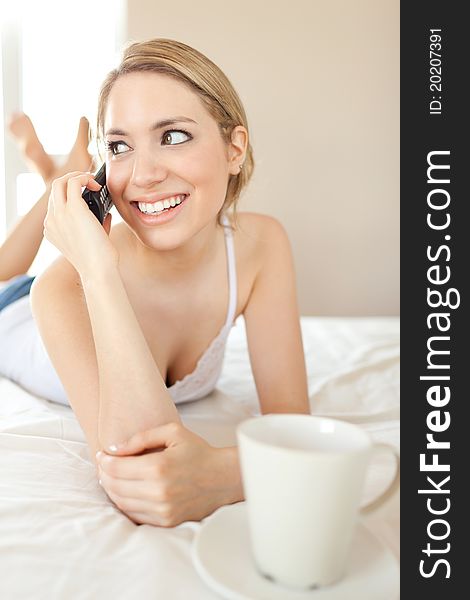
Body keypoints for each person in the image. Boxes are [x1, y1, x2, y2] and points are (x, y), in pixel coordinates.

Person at [0, 39, 310, 527]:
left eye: (173, 136)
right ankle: (57, 180)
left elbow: (294, 430)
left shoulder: (261, 246)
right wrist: (96, 271)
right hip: (12, 310)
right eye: (119, 147)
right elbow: (139, 472)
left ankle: (56, 174)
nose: (143, 175)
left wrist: (223, 473)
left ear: (234, 149)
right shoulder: (64, 286)